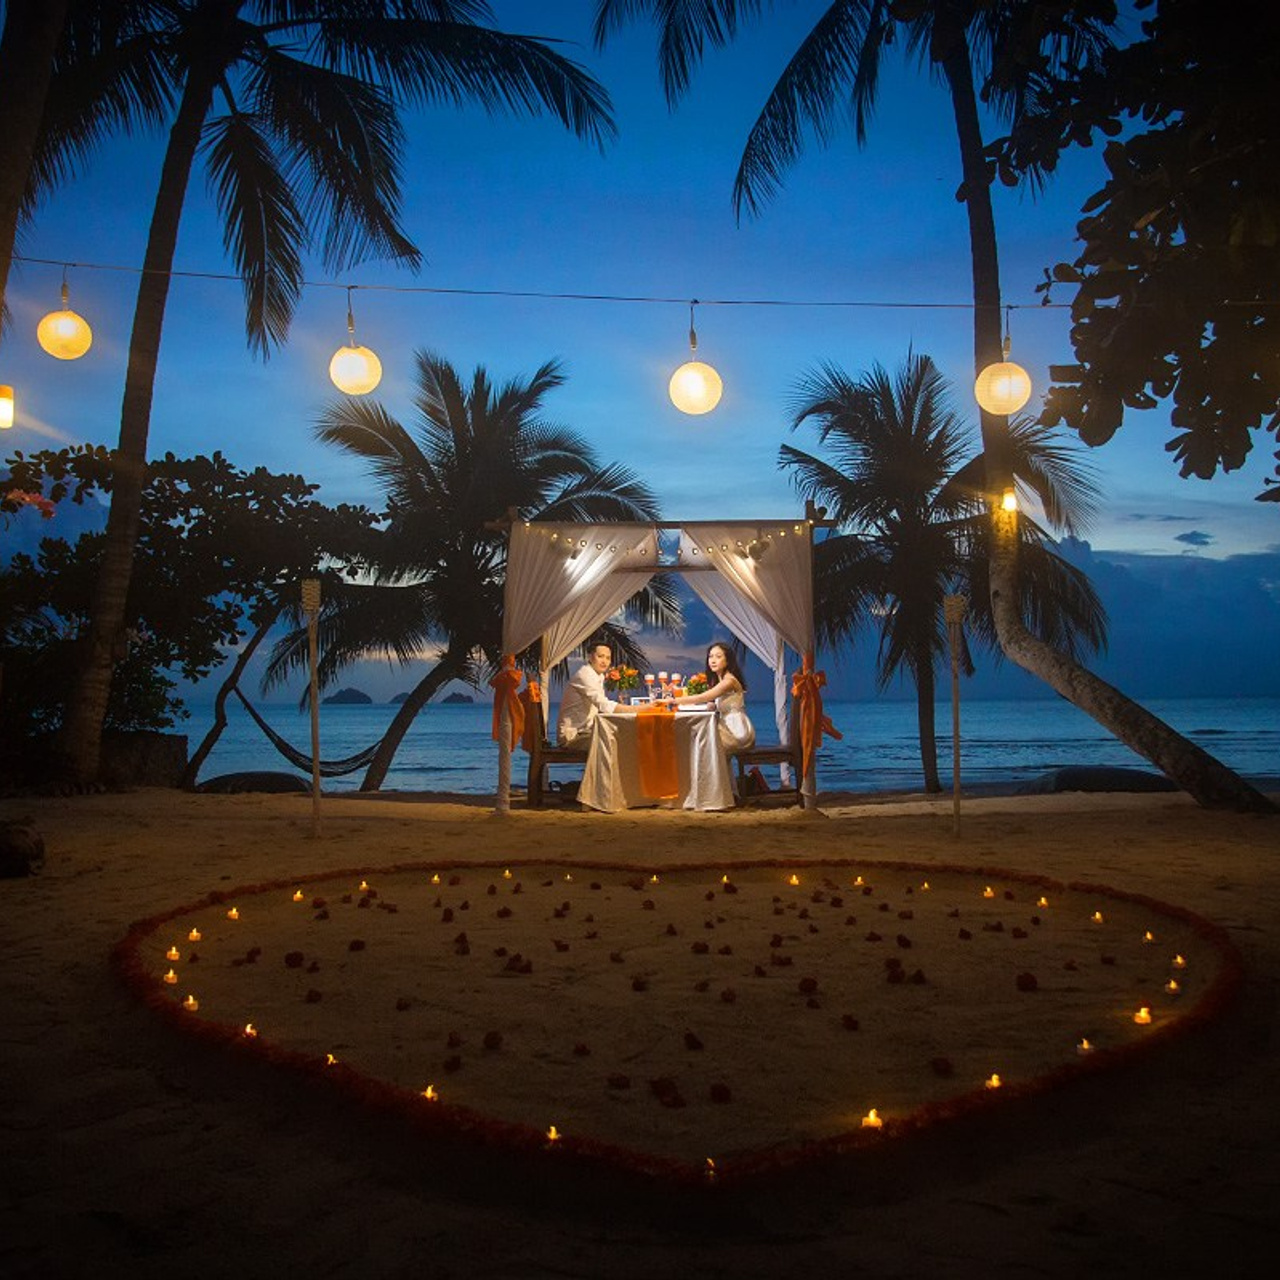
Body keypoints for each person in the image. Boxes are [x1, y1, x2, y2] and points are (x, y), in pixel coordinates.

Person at [672, 641, 756, 751]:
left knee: (699, 738)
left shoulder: (728, 681)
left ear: (727, 661)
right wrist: (715, 705)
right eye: (710, 656)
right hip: (727, 726)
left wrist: (672, 701)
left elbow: (702, 697)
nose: (713, 660)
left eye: (718, 657)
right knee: (697, 734)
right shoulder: (721, 679)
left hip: (737, 730)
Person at [555, 641, 637, 746]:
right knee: (618, 741)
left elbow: (601, 708)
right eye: (600, 656)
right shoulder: (585, 675)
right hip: (572, 736)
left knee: (626, 736)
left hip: (587, 732)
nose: (604, 661)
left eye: (608, 658)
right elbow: (603, 704)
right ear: (590, 657)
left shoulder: (599, 676)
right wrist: (638, 709)